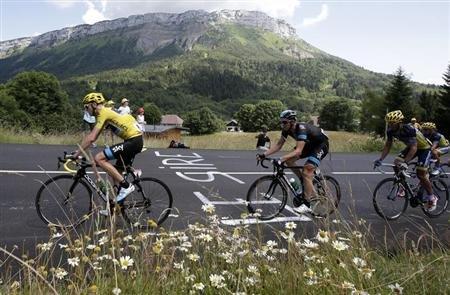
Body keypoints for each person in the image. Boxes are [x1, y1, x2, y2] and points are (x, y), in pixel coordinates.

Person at [70, 93, 144, 214]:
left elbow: (91, 138)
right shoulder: (104, 115)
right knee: (115, 174)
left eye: (86, 107)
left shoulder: (103, 113)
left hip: (133, 141)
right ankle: (114, 208)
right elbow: (95, 136)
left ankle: (127, 186)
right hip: (133, 140)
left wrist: (77, 153)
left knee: (99, 158)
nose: (86, 110)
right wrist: (80, 151)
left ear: (94, 104)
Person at [257, 110, 329, 214]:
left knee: (307, 170)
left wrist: (281, 159)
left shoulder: (301, 128)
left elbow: (298, 151)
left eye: (284, 122)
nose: (282, 124)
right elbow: (278, 145)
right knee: (289, 161)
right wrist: (264, 155)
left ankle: (307, 204)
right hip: (308, 145)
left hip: (320, 145)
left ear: (292, 122)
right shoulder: (286, 130)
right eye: (281, 122)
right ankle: (304, 182)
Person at [374, 110, 437, 211]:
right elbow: (388, 145)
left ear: (399, 122)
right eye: (388, 123)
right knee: (396, 163)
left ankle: (432, 197)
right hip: (412, 146)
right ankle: (403, 184)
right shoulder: (390, 130)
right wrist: (380, 159)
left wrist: (406, 163)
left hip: (424, 148)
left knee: (420, 174)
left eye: (392, 123)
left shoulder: (408, 129)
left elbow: (414, 148)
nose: (390, 125)